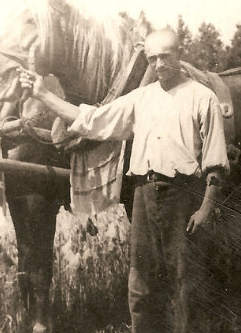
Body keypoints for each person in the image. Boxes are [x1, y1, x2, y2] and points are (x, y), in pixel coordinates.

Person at [19, 29, 229, 333]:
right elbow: (92, 121)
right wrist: (42, 95)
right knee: (141, 281)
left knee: (186, 281)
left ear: (179, 54)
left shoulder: (203, 98)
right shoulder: (140, 98)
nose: (158, 64)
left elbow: (215, 162)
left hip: (183, 195)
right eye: (152, 58)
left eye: (164, 57)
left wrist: (205, 209)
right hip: (143, 194)